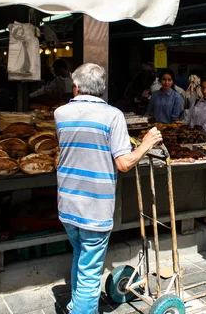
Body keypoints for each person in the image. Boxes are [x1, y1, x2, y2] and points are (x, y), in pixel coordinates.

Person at [55, 63, 163, 314]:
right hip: (95, 206)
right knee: (91, 269)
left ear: (76, 87)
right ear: (102, 89)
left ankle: (75, 303)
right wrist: (146, 144)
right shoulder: (113, 116)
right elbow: (124, 163)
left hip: (68, 201)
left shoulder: (60, 113)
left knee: (81, 256)